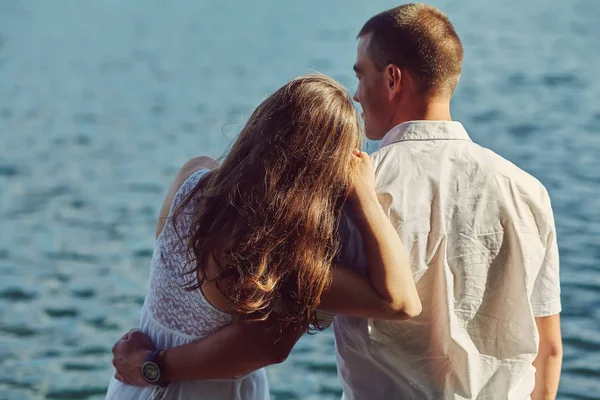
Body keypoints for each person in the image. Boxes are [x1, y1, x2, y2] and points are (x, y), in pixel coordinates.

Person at [112, 4, 563, 399]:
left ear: (392, 79)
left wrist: (154, 365)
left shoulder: (346, 191)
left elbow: (271, 335)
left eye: (359, 75)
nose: (358, 94)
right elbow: (550, 348)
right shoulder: (528, 191)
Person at [105, 74, 421, 400]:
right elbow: (400, 301)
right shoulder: (284, 261)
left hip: (132, 385)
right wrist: (364, 194)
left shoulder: (191, 179)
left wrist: (148, 366)